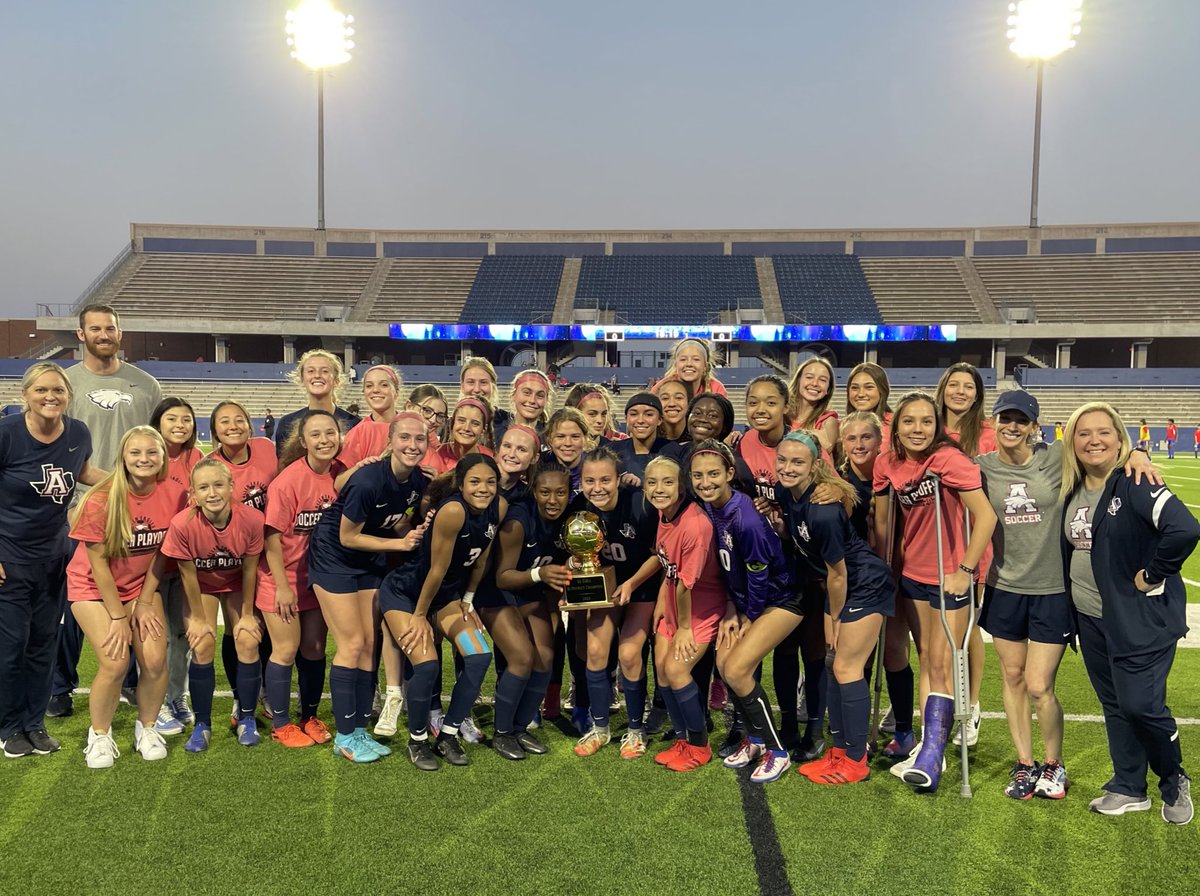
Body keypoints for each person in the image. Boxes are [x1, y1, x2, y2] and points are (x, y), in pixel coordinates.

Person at [1062, 402, 1197, 824]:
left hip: (1140, 619)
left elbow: (1186, 528)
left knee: (1141, 706)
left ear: (1121, 439)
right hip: (1091, 618)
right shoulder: (1072, 485)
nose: (1094, 440)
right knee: (1115, 705)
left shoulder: (1136, 480)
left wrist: (1154, 574)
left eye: (1104, 432)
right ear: (1071, 441)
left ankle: (1173, 777)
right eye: (1084, 433)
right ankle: (1128, 785)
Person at [872, 390, 996, 793]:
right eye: (909, 421)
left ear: (937, 426)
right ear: (896, 426)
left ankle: (931, 756)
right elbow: (883, 520)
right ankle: (932, 743)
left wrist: (965, 569)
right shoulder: (887, 463)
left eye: (926, 421)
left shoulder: (949, 460)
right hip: (911, 573)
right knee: (927, 658)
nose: (917, 429)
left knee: (942, 660)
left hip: (949, 574)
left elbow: (986, 516)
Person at [50, 303, 162, 719]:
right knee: (74, 602)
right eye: (95, 328)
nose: (103, 334)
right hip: (77, 508)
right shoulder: (66, 384)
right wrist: (107, 486)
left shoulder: (144, 384)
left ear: (120, 333)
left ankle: (131, 680)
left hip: (134, 512)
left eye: (110, 328)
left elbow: (155, 443)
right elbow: (60, 449)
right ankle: (60, 686)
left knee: (128, 592)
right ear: (81, 334)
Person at [307, 413, 430, 763]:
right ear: (390, 441)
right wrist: (400, 545)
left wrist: (417, 530)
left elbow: (399, 520)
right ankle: (345, 736)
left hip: (367, 557)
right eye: (404, 437)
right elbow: (348, 536)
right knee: (353, 643)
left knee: (370, 643)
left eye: (419, 439)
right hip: (335, 556)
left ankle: (360, 728)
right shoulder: (367, 480)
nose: (412, 445)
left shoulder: (417, 480)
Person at [776, 430, 894, 785]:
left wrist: (837, 617)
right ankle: (840, 749)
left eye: (798, 462)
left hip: (863, 583)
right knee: (831, 664)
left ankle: (856, 759)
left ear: (814, 467)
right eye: (782, 460)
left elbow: (839, 574)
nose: (788, 467)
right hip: (837, 585)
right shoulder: (788, 492)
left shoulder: (823, 511)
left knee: (846, 667)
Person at [66, 426, 188, 768]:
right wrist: (119, 617)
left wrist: (146, 599)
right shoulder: (102, 497)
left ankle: (147, 727)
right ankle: (100, 735)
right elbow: (98, 564)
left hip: (140, 586)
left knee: (154, 659)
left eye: (152, 452)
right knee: (115, 660)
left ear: (164, 457)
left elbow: (164, 554)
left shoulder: (175, 494)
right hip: (93, 588)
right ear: (123, 456)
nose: (144, 459)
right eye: (136, 453)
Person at [0, 364, 102, 759]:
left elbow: (85, 472)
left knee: (44, 645)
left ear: (68, 394)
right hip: (10, 561)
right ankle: (9, 726)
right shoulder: (7, 434)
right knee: (11, 648)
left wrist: (129, 482)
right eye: (41, 389)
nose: (50, 396)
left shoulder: (77, 433)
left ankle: (34, 724)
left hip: (55, 559)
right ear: (25, 394)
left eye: (58, 390)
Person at [382, 455, 507, 770]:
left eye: (490, 481)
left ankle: (448, 734)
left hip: (445, 596)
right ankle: (418, 740)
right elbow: (436, 570)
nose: (484, 489)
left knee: (479, 655)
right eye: (475, 482)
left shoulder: (498, 507)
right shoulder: (453, 511)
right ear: (461, 484)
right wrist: (420, 615)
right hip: (408, 594)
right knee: (426, 666)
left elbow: (482, 559)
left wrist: (468, 598)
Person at [689, 440, 796, 783]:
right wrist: (733, 610)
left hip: (780, 599)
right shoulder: (708, 509)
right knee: (723, 663)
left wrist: (747, 616)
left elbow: (758, 575)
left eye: (714, 474)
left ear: (730, 474)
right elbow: (730, 570)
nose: (705, 482)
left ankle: (778, 752)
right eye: (698, 476)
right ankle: (755, 739)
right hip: (746, 602)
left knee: (735, 667)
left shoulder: (745, 517)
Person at [149, 459, 265, 752]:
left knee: (248, 639)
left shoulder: (251, 519)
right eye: (203, 487)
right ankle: (202, 724)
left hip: (237, 583)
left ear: (231, 487)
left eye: (218, 485)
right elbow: (189, 575)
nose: (212, 493)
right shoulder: (183, 524)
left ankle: (247, 717)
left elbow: (250, 570)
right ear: (193, 493)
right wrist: (200, 620)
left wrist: (248, 614)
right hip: (203, 586)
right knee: (202, 643)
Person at [569, 448, 664, 760]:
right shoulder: (580, 508)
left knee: (629, 653)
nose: (598, 487)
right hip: (606, 588)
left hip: (643, 587)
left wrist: (632, 583)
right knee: (595, 651)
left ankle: (635, 729)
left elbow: (659, 555)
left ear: (618, 479)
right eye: (590, 480)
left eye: (605, 480)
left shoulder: (639, 503)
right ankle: (600, 727)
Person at [257, 410, 343, 748]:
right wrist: (281, 586)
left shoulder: (341, 475)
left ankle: (309, 716)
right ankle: (280, 722)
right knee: (286, 648)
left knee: (315, 647)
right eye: (316, 435)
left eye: (330, 433)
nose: (324, 440)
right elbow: (271, 538)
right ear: (303, 441)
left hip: (317, 579)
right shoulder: (288, 481)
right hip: (283, 578)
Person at [645, 456, 730, 771]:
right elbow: (667, 566)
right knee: (663, 669)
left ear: (681, 485)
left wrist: (682, 628)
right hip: (674, 604)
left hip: (698, 609)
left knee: (678, 671)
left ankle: (699, 743)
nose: (659, 489)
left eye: (667, 482)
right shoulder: (664, 513)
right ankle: (682, 738)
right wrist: (658, 605)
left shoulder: (695, 525)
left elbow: (685, 585)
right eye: (652, 482)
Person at [485, 460, 573, 759]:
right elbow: (502, 576)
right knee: (522, 658)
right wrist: (541, 575)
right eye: (545, 492)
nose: (553, 500)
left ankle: (520, 727)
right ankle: (502, 732)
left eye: (560, 492)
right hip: (497, 594)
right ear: (533, 491)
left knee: (545, 660)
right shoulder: (518, 522)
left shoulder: (567, 523)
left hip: (532, 593)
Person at [149, 397, 204, 735]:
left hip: (184, 563)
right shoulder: (148, 455)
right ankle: (153, 707)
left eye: (186, 419)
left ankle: (176, 696)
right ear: (158, 422)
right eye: (172, 419)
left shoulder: (196, 458)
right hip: (151, 562)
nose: (180, 425)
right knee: (158, 639)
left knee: (183, 635)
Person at [274, 349, 359, 458]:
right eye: (311, 371)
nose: (317, 375)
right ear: (302, 379)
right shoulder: (287, 424)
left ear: (336, 380)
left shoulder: (355, 424)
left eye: (325, 371)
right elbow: (283, 468)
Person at [337, 365, 404, 468]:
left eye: (384, 385)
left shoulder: (411, 426)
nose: (375, 390)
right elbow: (340, 481)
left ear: (396, 391)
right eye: (369, 386)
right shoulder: (357, 433)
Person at [424, 398, 494, 475]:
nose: (467, 428)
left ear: (484, 429)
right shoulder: (438, 456)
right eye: (461, 420)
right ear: (452, 423)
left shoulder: (490, 458)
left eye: (475, 423)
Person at [613, 392, 670, 481]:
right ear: (626, 419)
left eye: (649, 414)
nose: (640, 420)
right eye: (633, 414)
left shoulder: (674, 451)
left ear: (659, 420)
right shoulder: (612, 452)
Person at [788, 357, 839, 456]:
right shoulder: (781, 413)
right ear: (798, 380)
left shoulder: (828, 421)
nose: (815, 383)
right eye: (809, 377)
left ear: (828, 389)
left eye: (823, 380)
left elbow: (826, 458)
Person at [460, 357, 507, 448]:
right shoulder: (451, 425)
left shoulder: (507, 423)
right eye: (470, 382)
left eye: (483, 382)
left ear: (493, 386)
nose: (477, 389)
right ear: (462, 386)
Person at [845, 362, 893, 441]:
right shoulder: (840, 426)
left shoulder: (897, 424)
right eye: (855, 388)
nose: (861, 394)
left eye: (869, 387)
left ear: (882, 390)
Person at [663, 338, 727, 397]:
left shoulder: (717, 389)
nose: (689, 364)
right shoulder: (661, 387)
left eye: (696, 359)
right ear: (676, 365)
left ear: (705, 366)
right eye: (683, 359)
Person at [653, 377, 693, 444]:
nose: (672, 404)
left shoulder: (697, 435)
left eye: (679, 398)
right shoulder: (649, 435)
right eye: (665, 398)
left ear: (688, 403)